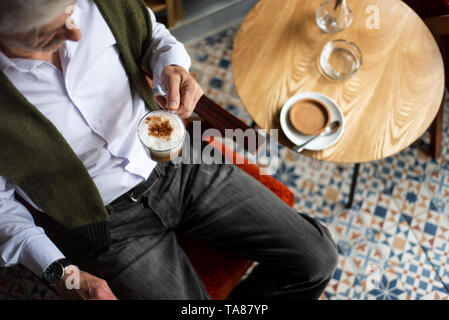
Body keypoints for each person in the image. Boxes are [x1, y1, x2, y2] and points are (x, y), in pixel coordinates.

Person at [0, 0, 338, 300]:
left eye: (70, 12)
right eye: (46, 32)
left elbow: (152, 35)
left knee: (316, 258)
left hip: (182, 162)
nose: (75, 33)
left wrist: (172, 65)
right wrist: (64, 276)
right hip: (105, 228)